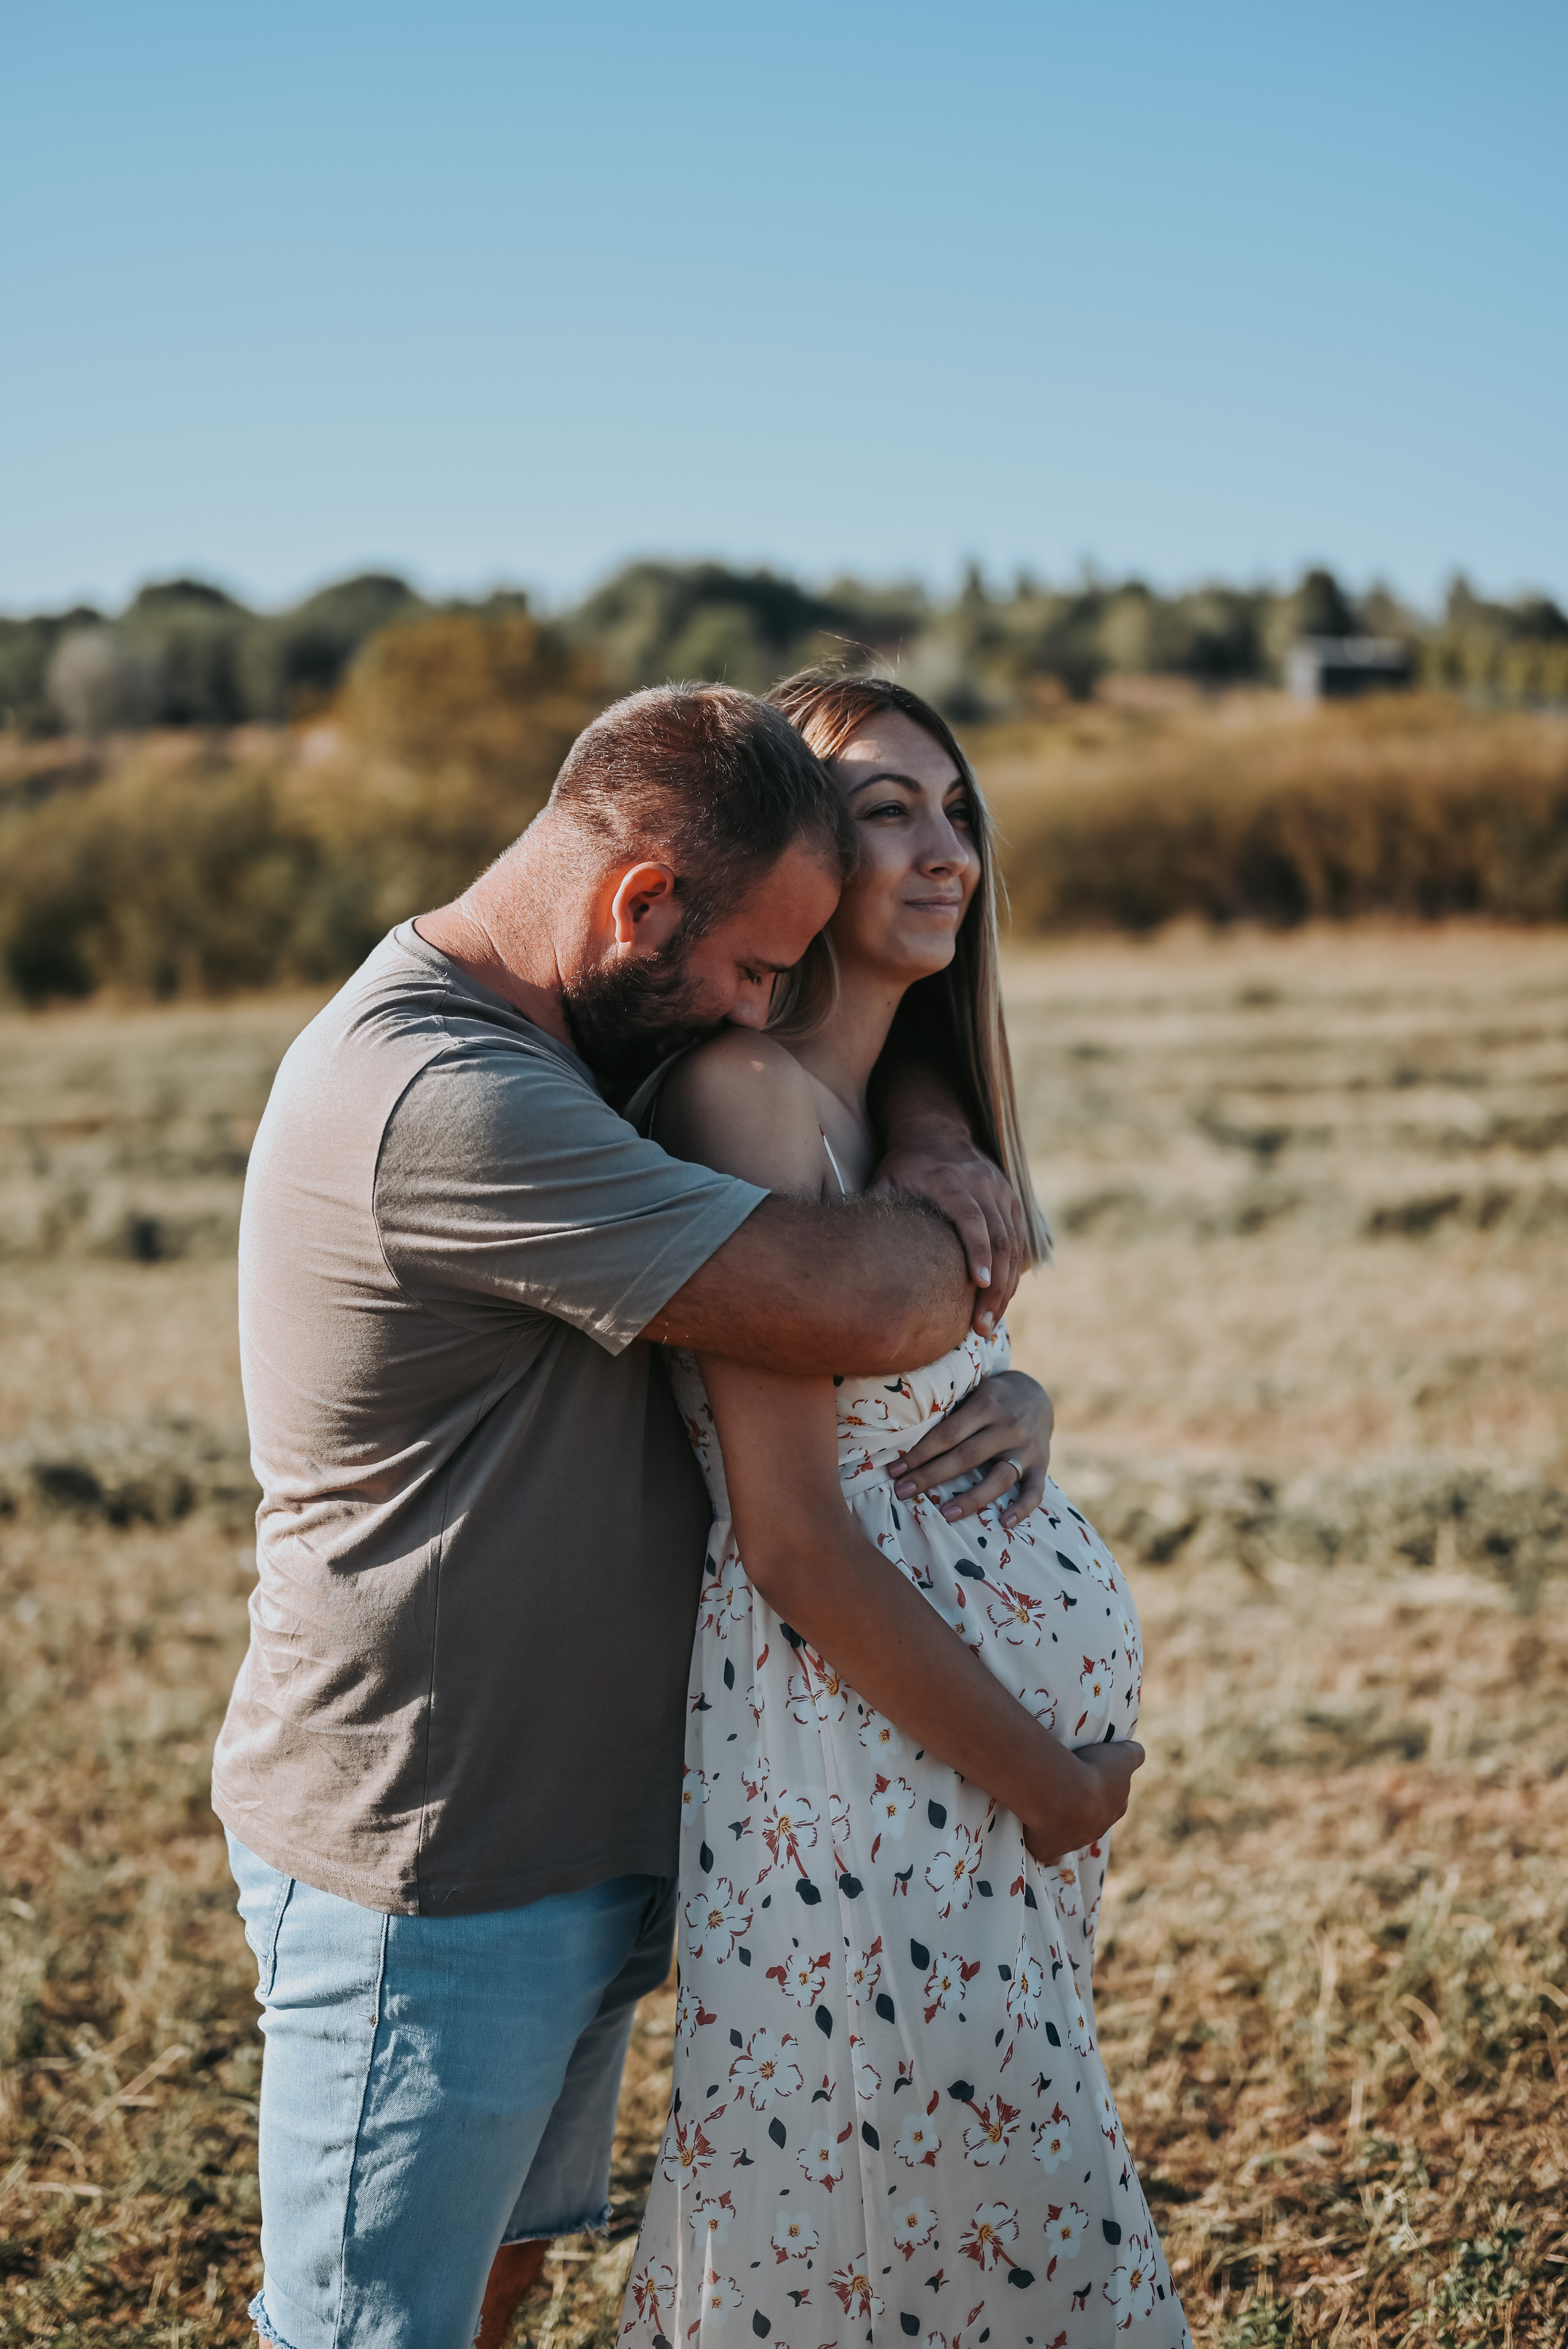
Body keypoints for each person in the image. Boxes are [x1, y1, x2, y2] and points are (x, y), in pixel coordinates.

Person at [214, 684, 1100, 2349]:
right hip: (433, 1854)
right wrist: (958, 1237)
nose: (758, 1015)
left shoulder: (584, 1036)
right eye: (758, 970)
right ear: (639, 906)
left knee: (498, 2276)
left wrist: (924, 1130)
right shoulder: (445, 1094)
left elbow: (824, 1164)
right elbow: (847, 1302)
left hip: (576, 1829)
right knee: (367, 2329)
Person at [618, 675, 1187, 2348]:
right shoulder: (746, 1095)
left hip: (947, 1780)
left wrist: (1017, 1394)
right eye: (888, 811)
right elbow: (794, 1538)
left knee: (963, 2238)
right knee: (907, 2230)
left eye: (958, 811)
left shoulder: (882, 1113)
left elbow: (893, 1403)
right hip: (854, 1774)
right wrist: (1051, 1780)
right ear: (793, 851)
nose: (947, 851)